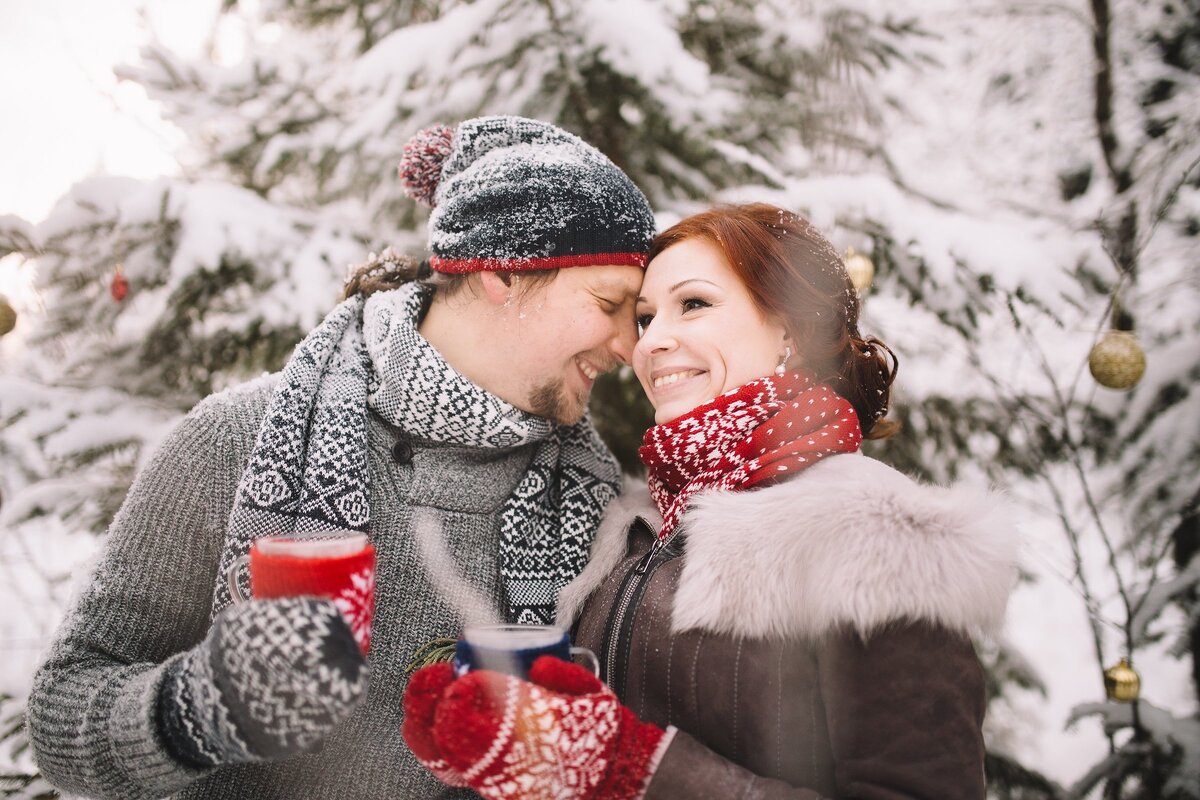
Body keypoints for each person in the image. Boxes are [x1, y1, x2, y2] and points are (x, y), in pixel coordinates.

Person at [26, 115, 656, 800]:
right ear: (502, 270)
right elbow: (63, 712)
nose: (629, 346)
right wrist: (203, 709)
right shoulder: (235, 440)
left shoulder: (593, 501)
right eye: (609, 304)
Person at [402, 203, 1018, 798]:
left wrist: (623, 767)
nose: (650, 344)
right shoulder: (634, 530)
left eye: (693, 305)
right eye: (645, 319)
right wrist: (502, 745)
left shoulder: (879, 537)